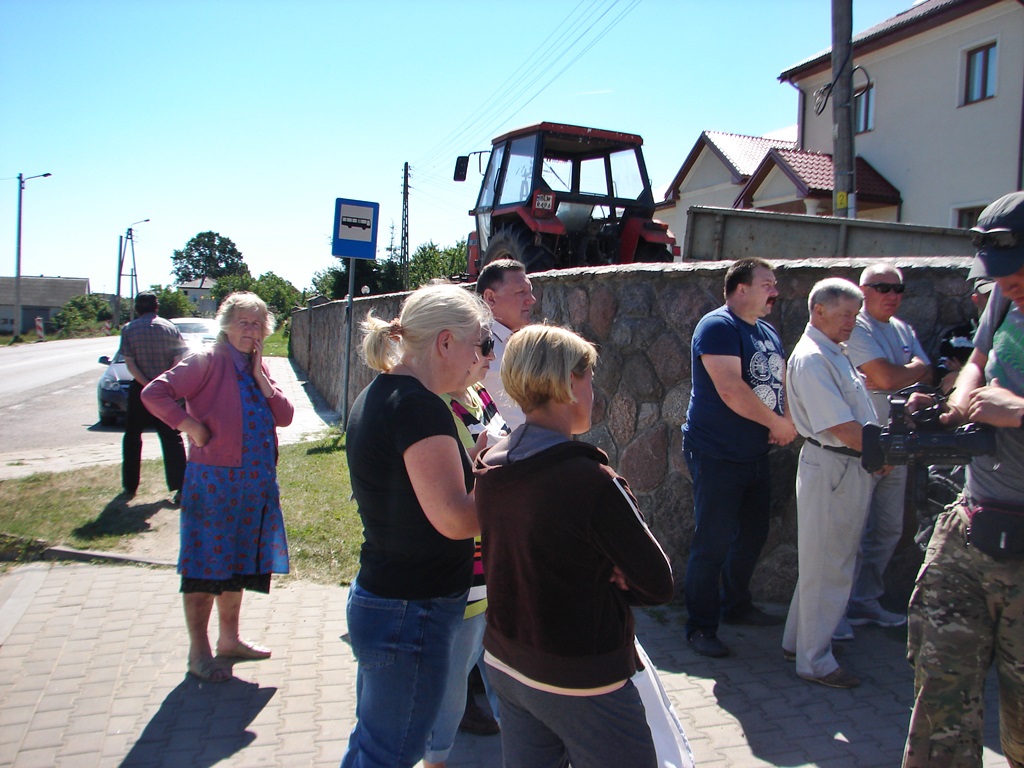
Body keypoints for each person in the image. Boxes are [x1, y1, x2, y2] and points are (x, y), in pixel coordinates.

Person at [475, 324, 674, 768]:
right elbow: (657, 582)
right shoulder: (590, 480)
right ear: (568, 383)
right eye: (588, 377)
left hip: (506, 662)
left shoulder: (490, 464)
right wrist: (611, 574)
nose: (593, 390)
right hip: (581, 677)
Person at [340, 283, 491, 768]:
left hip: (392, 598)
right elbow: (455, 519)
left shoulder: (384, 393)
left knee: (374, 746)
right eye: (476, 344)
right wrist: (507, 476)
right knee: (390, 754)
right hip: (412, 609)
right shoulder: (418, 405)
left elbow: (412, 489)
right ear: (445, 342)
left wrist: (476, 462)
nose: (478, 357)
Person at [902, 191, 1024, 768]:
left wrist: (1018, 409)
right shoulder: (1004, 298)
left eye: (1017, 270)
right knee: (941, 694)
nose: (1007, 284)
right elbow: (976, 360)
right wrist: (958, 398)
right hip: (975, 520)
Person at [142, 292, 294, 684]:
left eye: (258, 323)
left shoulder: (255, 366)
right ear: (225, 324)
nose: (251, 330)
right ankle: (199, 651)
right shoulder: (206, 360)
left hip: (254, 485)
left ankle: (230, 640)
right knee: (205, 568)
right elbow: (154, 393)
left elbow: (286, 416)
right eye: (244, 321)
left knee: (238, 566)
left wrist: (261, 377)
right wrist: (189, 426)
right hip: (214, 486)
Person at [681, 257, 797, 658]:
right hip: (716, 452)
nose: (775, 291)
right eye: (767, 283)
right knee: (711, 542)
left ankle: (736, 605)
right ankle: (700, 626)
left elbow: (775, 383)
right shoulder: (718, 326)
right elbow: (730, 388)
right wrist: (778, 425)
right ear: (741, 288)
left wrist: (783, 420)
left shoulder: (765, 331)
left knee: (752, 534)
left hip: (753, 453)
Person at [782, 278, 882, 689]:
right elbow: (841, 425)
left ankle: (798, 643)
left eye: (855, 316)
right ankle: (815, 660)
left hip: (841, 465)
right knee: (831, 563)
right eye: (846, 315)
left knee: (821, 560)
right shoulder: (813, 358)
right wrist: (881, 456)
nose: (852, 323)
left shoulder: (830, 352)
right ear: (819, 310)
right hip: (836, 465)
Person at [424, 334, 505, 768]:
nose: (489, 357)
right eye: (483, 348)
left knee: (502, 668)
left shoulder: (478, 394)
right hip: (466, 562)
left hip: (495, 555)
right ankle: (434, 756)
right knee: (453, 677)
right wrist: (482, 454)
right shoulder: (437, 406)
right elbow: (447, 487)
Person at [839, 264, 932, 639]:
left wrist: (905, 372)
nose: (892, 295)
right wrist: (912, 370)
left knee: (890, 528)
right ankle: (839, 609)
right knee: (852, 531)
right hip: (864, 443)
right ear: (864, 291)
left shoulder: (903, 329)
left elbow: (926, 371)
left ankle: (865, 601)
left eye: (898, 289)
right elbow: (885, 379)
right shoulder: (856, 327)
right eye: (882, 287)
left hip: (900, 444)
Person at [117, 291, 187, 502]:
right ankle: (180, 487)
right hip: (165, 388)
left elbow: (130, 364)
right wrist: (161, 384)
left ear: (137, 308)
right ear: (157, 307)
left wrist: (147, 386)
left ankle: (130, 485)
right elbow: (178, 359)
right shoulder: (170, 328)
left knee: (132, 436)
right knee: (171, 437)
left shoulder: (128, 329)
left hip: (140, 388)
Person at [475, 258, 537, 430]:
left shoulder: (525, 343)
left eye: (530, 291)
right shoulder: (472, 345)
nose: (531, 299)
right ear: (490, 298)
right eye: (521, 292)